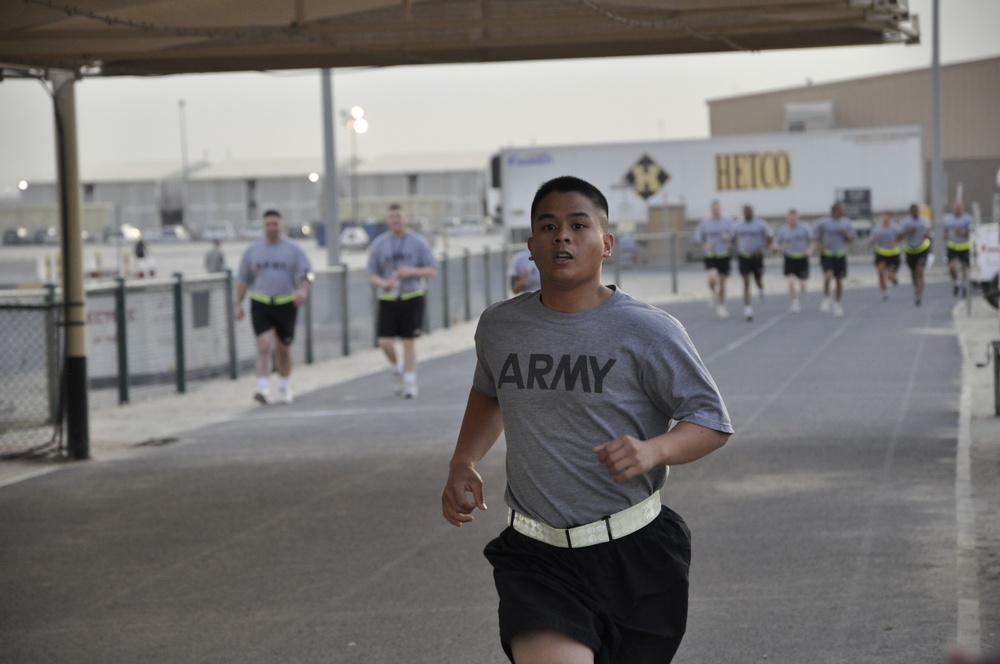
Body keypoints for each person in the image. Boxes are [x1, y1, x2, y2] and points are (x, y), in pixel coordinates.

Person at [441, 176, 732, 664]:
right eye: (548, 226)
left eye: (579, 225)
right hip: (537, 557)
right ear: (530, 246)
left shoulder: (647, 329)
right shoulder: (500, 326)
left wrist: (652, 450)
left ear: (606, 244)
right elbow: (489, 391)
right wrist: (463, 459)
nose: (562, 236)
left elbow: (710, 421)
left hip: (636, 552)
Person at [234, 209, 313, 405]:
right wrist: (238, 303)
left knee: (283, 348)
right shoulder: (252, 251)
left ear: (280, 225)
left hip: (286, 303)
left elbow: (308, 274)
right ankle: (262, 386)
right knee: (264, 345)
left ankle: (284, 385)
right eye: (268, 224)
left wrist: (303, 290)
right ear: (263, 226)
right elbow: (243, 279)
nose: (272, 228)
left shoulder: (293, 249)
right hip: (261, 302)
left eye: (275, 224)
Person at [366, 203, 439, 399]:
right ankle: (398, 367)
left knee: (408, 342)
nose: (396, 220)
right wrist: (384, 282)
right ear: (387, 220)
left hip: (412, 296)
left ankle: (410, 381)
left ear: (405, 218)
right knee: (384, 342)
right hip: (389, 297)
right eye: (392, 217)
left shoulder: (418, 242)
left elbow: (432, 269)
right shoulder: (379, 244)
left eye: (399, 216)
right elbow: (371, 273)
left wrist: (411, 272)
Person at [811, 201, 855, 317]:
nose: (843, 211)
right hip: (827, 253)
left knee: (839, 280)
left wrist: (846, 234)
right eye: (842, 209)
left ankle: (837, 302)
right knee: (828, 276)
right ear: (835, 210)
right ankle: (826, 298)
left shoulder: (846, 222)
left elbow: (851, 239)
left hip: (840, 254)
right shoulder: (823, 222)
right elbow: (815, 237)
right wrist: (819, 245)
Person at [694, 200, 735, 318]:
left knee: (722, 282)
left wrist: (728, 239)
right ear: (711, 210)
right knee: (712, 279)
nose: (715, 210)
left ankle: (721, 306)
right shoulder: (705, 222)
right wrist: (705, 245)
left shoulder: (727, 221)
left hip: (724, 255)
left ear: (720, 209)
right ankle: (713, 292)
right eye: (713, 208)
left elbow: (733, 237)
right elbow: (698, 237)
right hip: (711, 255)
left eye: (717, 208)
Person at [734, 204, 773, 321]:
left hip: (757, 256)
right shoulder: (739, 225)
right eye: (745, 211)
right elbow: (732, 238)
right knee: (746, 282)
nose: (747, 213)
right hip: (744, 256)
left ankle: (761, 290)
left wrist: (763, 249)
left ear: (752, 212)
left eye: (749, 211)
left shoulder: (760, 224)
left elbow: (769, 238)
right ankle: (748, 309)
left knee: (758, 279)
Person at [772, 208, 812, 313]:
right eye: (790, 218)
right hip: (789, 257)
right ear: (787, 219)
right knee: (791, 280)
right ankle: (794, 302)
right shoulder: (783, 230)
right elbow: (777, 242)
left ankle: (802, 288)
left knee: (803, 283)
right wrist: (776, 247)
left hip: (802, 257)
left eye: (794, 218)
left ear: (797, 218)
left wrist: (809, 249)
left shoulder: (805, 228)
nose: (792, 220)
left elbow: (813, 240)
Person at [897, 203, 932, 307]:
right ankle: (916, 289)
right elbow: (899, 237)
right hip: (911, 251)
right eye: (914, 211)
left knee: (919, 272)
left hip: (922, 249)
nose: (916, 213)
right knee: (913, 274)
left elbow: (929, 234)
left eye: (917, 211)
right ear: (911, 212)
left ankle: (919, 295)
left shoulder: (924, 222)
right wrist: (909, 231)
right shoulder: (905, 222)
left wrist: (927, 235)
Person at [868, 211, 901, 301]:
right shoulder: (877, 229)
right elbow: (870, 241)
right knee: (880, 271)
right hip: (881, 253)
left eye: (888, 218)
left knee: (890, 276)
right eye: (884, 217)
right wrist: (873, 240)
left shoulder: (895, 228)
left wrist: (895, 241)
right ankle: (884, 291)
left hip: (893, 254)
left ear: (890, 219)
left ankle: (894, 279)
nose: (886, 220)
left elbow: (901, 236)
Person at [943, 202, 974, 296]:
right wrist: (945, 236)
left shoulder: (967, 219)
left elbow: (971, 232)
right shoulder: (948, 219)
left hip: (964, 246)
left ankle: (964, 285)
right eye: (955, 208)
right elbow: (946, 231)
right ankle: (956, 283)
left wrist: (961, 232)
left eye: (959, 208)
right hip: (952, 246)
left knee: (965, 267)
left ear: (962, 209)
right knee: (951, 266)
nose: (957, 210)